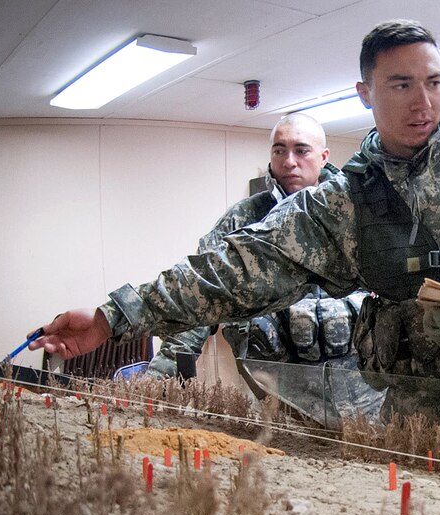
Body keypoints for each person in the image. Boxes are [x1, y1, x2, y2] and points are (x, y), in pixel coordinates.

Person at [31, 19, 440, 443]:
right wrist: (113, 319)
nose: (424, 101)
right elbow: (237, 266)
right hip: (424, 425)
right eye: (401, 84)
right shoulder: (344, 203)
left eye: (434, 82)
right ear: (364, 92)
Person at [144, 113, 366, 379]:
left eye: (301, 150)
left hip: (357, 383)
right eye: (279, 150)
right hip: (273, 385)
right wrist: (160, 379)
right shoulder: (244, 218)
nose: (289, 162)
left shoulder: (356, 216)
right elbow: (203, 291)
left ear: (324, 156)